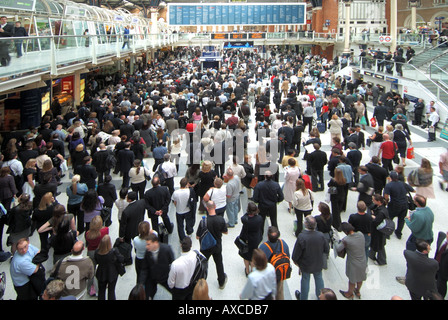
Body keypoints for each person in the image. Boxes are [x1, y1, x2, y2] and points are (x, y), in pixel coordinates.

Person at [292, 216, 329, 300]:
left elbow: (296, 254)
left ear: (305, 224)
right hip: (318, 263)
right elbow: (326, 249)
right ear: (315, 225)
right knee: (319, 279)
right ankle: (321, 297)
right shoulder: (321, 235)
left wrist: (296, 262)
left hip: (306, 264)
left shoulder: (302, 236)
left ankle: (303, 298)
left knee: (305, 280)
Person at [196, 200, 228, 290]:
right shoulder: (221, 220)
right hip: (217, 246)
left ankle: (201, 282)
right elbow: (226, 232)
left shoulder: (203, 222)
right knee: (219, 263)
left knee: (203, 264)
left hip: (206, 247)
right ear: (215, 207)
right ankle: (221, 282)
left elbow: (198, 236)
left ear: (207, 208)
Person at [334, 222, 367, 299]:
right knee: (360, 278)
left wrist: (336, 242)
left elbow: (339, 248)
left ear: (345, 231)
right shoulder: (360, 234)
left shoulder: (346, 240)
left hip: (353, 263)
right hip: (363, 261)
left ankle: (349, 293)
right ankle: (357, 291)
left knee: (352, 280)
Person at [138, 232, 175, 300]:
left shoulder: (166, 249)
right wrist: (141, 284)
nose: (147, 246)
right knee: (147, 295)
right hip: (152, 278)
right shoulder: (148, 252)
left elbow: (173, 264)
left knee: (176, 293)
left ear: (155, 243)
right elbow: (144, 268)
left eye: (148, 244)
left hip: (165, 278)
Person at [384, 171, 414, 240]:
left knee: (389, 218)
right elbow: (412, 190)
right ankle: (398, 233)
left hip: (394, 204)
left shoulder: (389, 185)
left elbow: (386, 196)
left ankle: (387, 233)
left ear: (390, 178)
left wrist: (387, 201)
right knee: (401, 219)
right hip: (404, 204)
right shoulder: (403, 184)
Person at [94, 235, 124, 300]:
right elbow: (121, 259)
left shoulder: (97, 251)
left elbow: (96, 261)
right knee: (111, 291)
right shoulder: (113, 251)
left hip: (101, 273)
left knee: (101, 291)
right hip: (112, 273)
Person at [85, 214, 108, 296]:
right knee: (103, 268)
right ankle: (104, 283)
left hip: (91, 252)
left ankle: (90, 289)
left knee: (91, 271)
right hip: (101, 251)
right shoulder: (105, 230)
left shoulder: (88, 234)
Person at [238, 202, 264, 276]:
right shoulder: (259, 218)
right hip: (255, 239)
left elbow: (243, 217)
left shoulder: (245, 219)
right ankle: (253, 270)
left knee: (246, 255)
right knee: (253, 255)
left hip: (246, 239)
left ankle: (247, 270)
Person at [369, 194, 389, 266]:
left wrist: (373, 217)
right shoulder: (380, 207)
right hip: (377, 231)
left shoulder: (381, 212)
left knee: (380, 246)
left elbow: (376, 222)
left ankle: (382, 260)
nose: (372, 201)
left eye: (373, 200)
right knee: (375, 243)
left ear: (378, 201)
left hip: (379, 232)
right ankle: (371, 255)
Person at [314, 202, 333, 269]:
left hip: (320, 236)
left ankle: (323, 264)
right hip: (327, 235)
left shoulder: (317, 218)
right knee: (326, 247)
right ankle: (327, 256)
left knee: (321, 250)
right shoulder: (330, 216)